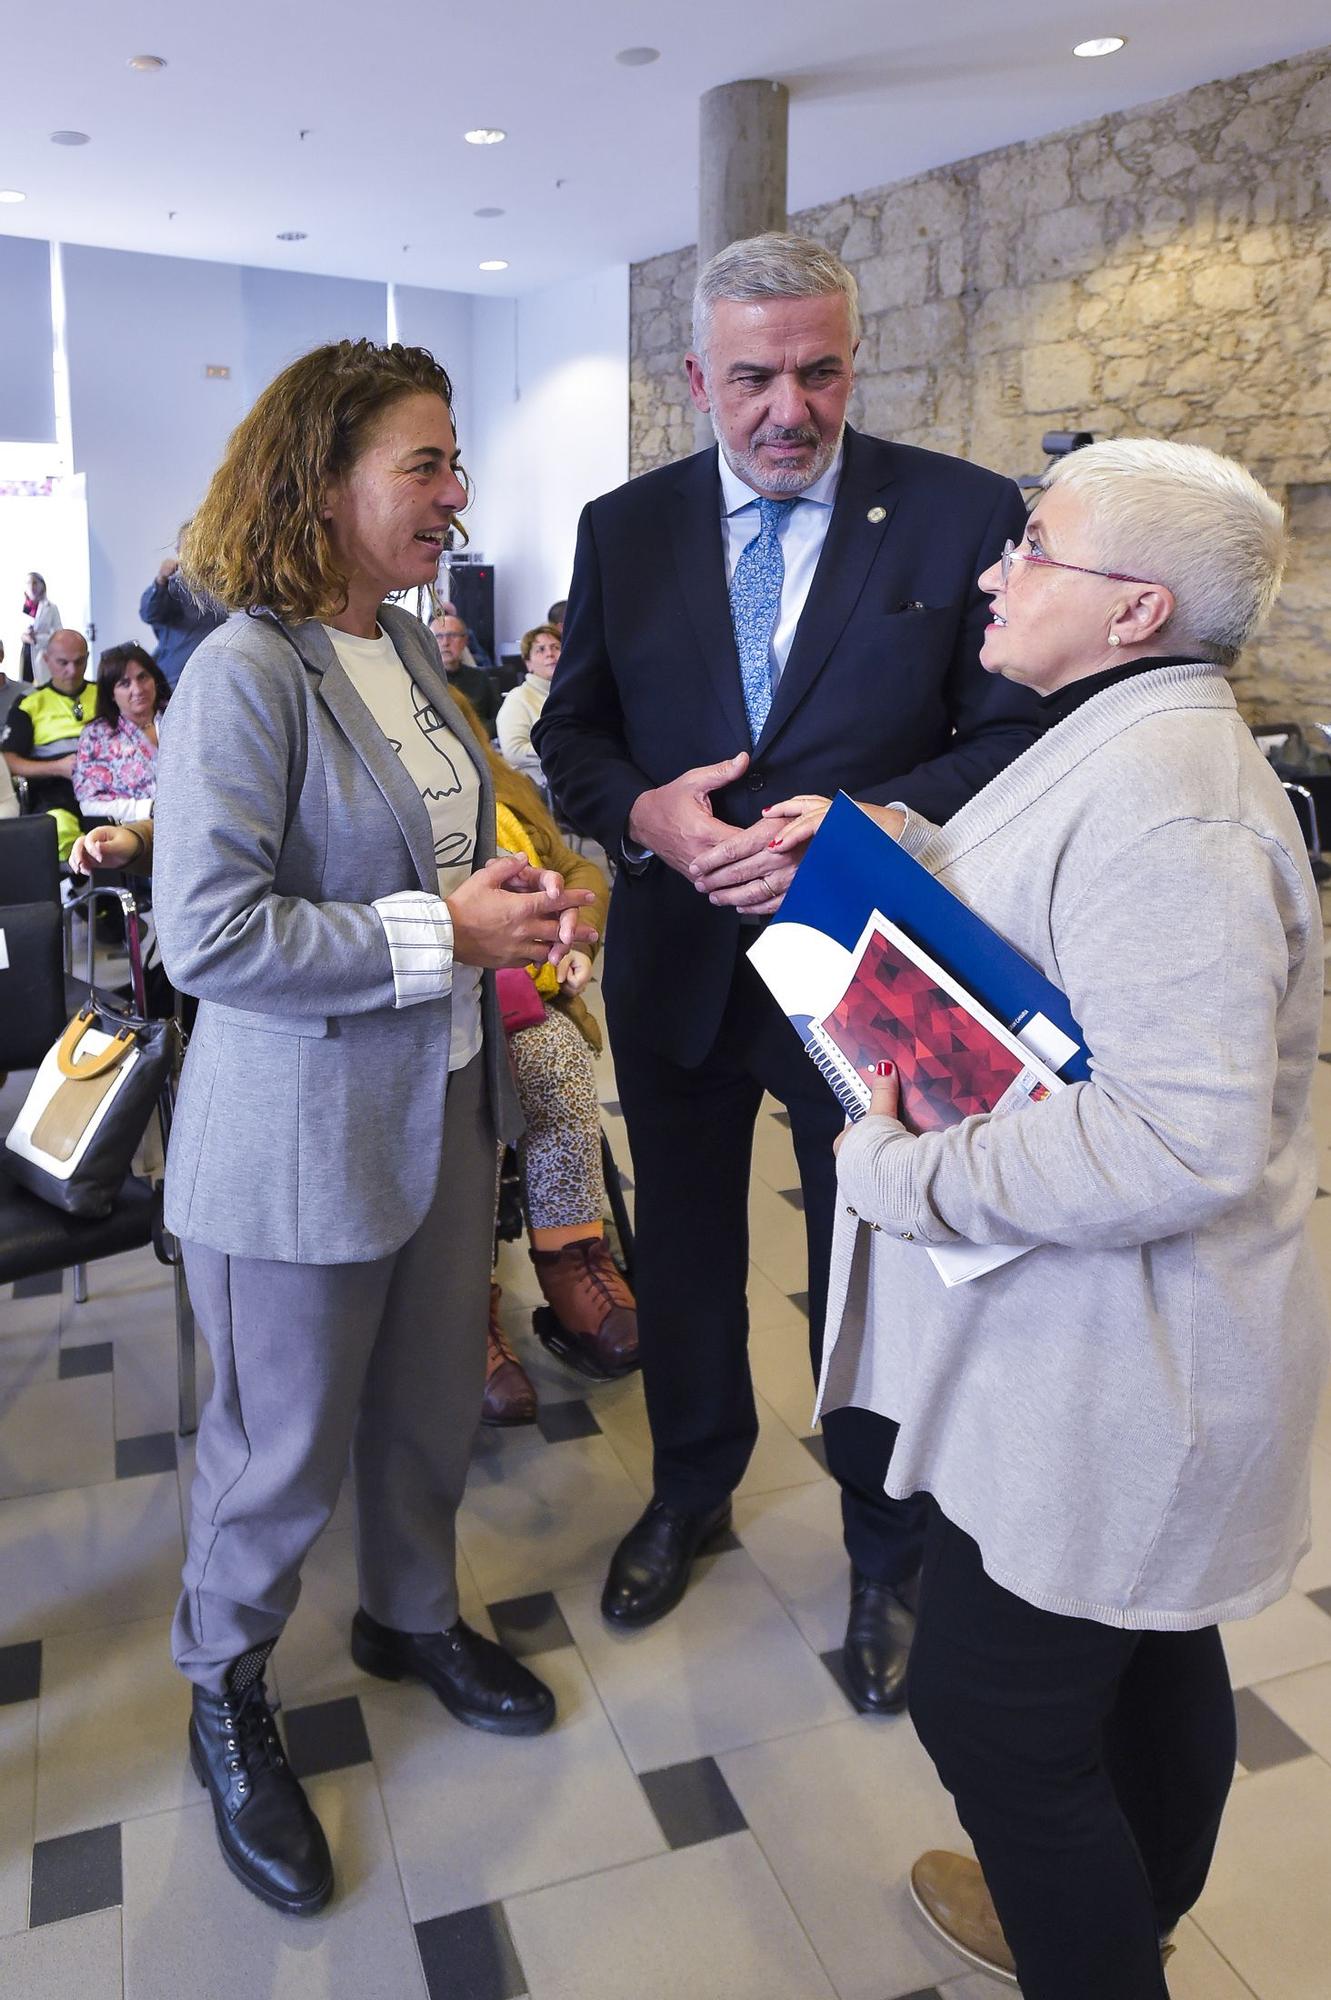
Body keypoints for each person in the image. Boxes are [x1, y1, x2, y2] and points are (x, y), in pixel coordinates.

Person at [784, 439, 1326, 2000]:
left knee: (994, 1721)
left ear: (1131, 608)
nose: (991, 571)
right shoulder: (1114, 731)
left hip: (1129, 1368)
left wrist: (899, 1175)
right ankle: (1115, 1913)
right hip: (1088, 1346)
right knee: (1145, 1655)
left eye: (1033, 547)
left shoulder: (1173, 801)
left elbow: (1180, 1133)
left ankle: (1087, 1943)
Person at [533, 231, 1040, 1708]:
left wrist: (874, 822)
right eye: (750, 375)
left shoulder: (955, 514)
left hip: (872, 979)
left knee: (867, 1263)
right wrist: (647, 814)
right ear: (697, 376)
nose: (785, 407)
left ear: (850, 360)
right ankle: (689, 1487)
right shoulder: (622, 528)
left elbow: (1010, 735)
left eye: (816, 370)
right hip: (678, 962)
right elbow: (573, 735)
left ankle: (887, 1547)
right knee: (685, 1252)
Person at [152, 337, 598, 1918]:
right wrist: (444, 937)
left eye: (453, 463)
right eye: (426, 464)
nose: (455, 495)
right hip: (287, 1145)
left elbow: (461, 853)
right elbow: (208, 937)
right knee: (273, 1459)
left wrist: (528, 906)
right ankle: (225, 1688)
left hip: (439, 1108)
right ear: (322, 478)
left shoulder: (411, 657)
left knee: (421, 1412)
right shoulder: (244, 672)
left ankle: (407, 1614)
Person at [447, 694, 637, 1425]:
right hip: (429, 1008)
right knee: (475, 1089)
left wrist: (577, 934)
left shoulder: (507, 790)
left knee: (551, 1052)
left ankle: (573, 1258)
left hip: (524, 1003)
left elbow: (582, 878)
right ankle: (465, 1307)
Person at [0, 627, 93, 831]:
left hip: (106, 787)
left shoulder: (105, 694)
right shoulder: (29, 702)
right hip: (54, 791)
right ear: (46, 660)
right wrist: (58, 767)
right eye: (63, 663)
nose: (72, 671)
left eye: (79, 662)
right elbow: (9, 760)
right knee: (59, 831)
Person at [72, 642, 170, 822]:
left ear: (154, 679)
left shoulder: (178, 715)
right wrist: (148, 808)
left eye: (143, 677)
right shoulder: (96, 735)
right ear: (111, 693)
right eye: (125, 684)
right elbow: (89, 804)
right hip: (134, 834)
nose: (138, 689)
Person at [139, 550, 226, 688]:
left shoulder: (221, 585)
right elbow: (149, 614)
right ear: (179, 553)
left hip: (214, 676)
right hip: (176, 681)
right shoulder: (172, 586)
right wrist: (161, 580)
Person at [497, 623, 560, 782]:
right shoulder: (518, 698)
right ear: (528, 664)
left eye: (556, 647)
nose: (550, 654)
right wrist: (563, 751)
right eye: (541, 650)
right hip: (540, 787)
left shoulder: (578, 693)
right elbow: (514, 750)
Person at [430, 607, 500, 732]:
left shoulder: (480, 678)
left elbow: (499, 720)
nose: (445, 642)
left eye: (452, 635)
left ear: (464, 641)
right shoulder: (422, 681)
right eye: (438, 636)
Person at [22, 572, 61, 683]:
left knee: (43, 687)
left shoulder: (51, 608)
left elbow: (58, 635)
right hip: (26, 655)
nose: (31, 586)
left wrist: (36, 639)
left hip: (42, 655)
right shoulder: (24, 609)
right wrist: (23, 636)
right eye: (29, 583)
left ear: (42, 585)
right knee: (26, 690)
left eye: (35, 583)